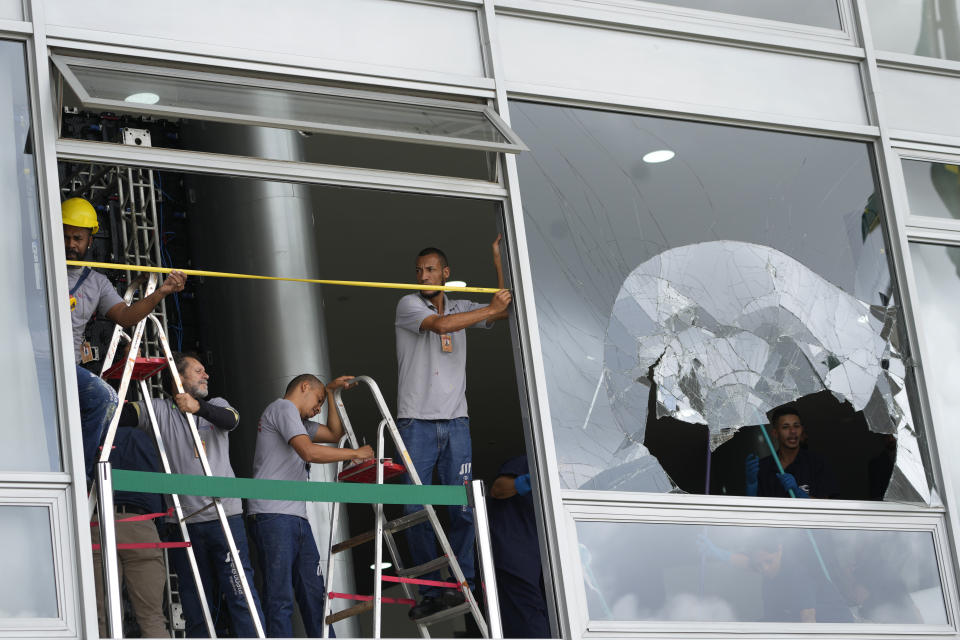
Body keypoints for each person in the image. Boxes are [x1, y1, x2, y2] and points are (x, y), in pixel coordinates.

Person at [395, 236, 512, 619]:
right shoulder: (409, 304)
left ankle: (465, 583)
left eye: (430, 270)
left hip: (457, 422)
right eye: (419, 270)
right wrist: (488, 310)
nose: (423, 276)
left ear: (446, 273)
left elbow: (505, 311)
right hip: (417, 423)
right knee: (416, 508)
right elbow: (442, 323)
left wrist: (499, 262)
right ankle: (432, 591)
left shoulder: (462, 305)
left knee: (463, 509)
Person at [118, 351, 263, 638]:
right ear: (178, 377)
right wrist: (125, 370)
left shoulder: (217, 405)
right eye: (198, 371)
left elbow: (232, 419)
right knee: (194, 600)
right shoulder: (158, 409)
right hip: (182, 523)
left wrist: (197, 407)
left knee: (239, 592)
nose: (206, 375)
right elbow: (121, 414)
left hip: (225, 516)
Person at [63, 196, 186, 481]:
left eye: (78, 238)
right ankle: (79, 472)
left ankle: (79, 473)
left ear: (91, 239)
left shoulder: (96, 282)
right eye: (66, 236)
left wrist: (161, 292)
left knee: (106, 401)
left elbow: (127, 317)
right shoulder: (38, 264)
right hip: (34, 359)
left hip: (67, 366)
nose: (71, 244)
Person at [248, 374, 373, 638]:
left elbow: (333, 433)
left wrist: (329, 393)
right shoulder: (283, 408)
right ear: (304, 387)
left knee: (314, 596)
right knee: (280, 597)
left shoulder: (298, 420)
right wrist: (355, 453)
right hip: (273, 514)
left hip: (295, 516)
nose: (318, 409)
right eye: (317, 401)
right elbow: (309, 452)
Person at [92, 427, 168, 638]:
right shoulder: (141, 437)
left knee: (102, 617)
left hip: (98, 523)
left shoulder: (90, 434)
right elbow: (156, 485)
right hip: (139, 523)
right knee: (151, 616)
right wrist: (158, 527)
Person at [698, 531, 853, 622]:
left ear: (780, 549)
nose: (764, 569)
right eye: (759, 565)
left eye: (768, 562)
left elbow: (808, 618)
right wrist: (718, 553)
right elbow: (748, 562)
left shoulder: (797, 573)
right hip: (794, 618)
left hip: (834, 626)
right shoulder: (766, 564)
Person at [488, 455, 549, 638]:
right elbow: (497, 490)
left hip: (547, 556)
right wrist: (534, 477)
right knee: (529, 622)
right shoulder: (533, 458)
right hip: (515, 555)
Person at [744, 405, 839, 499]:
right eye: (785, 427)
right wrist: (752, 486)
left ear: (801, 429)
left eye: (796, 426)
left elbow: (826, 507)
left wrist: (798, 493)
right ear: (775, 433)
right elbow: (752, 510)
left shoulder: (817, 463)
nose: (793, 431)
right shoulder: (763, 467)